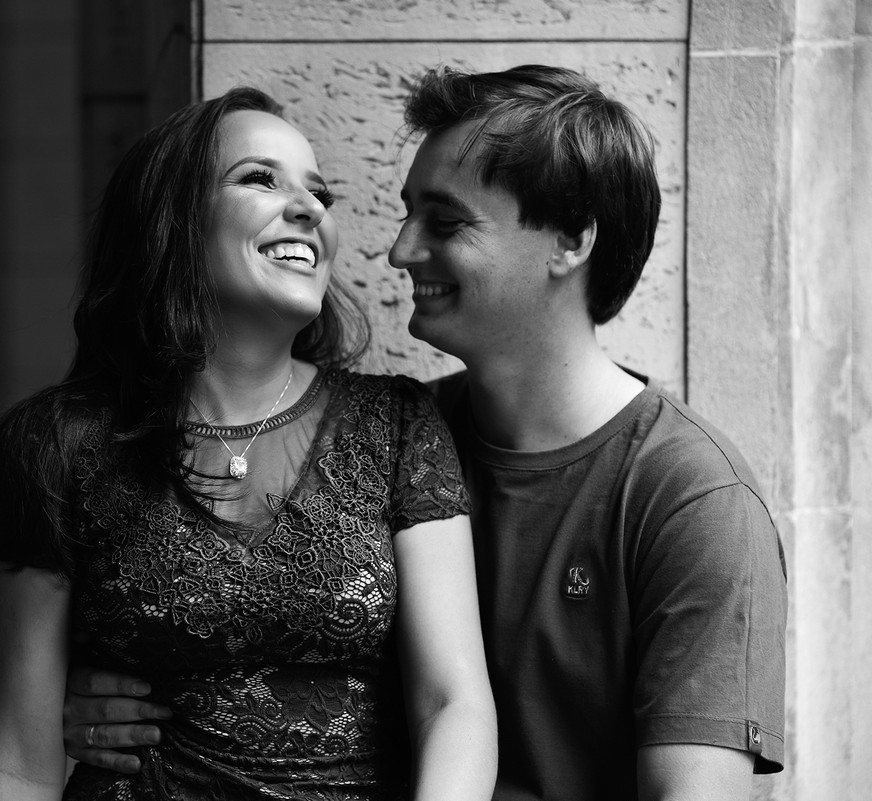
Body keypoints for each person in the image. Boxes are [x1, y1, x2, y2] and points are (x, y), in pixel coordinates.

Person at [62, 66, 788, 801]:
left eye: (445, 222)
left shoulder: (695, 500)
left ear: (569, 240)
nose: (399, 250)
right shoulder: (386, 439)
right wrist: (113, 688)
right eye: (408, 214)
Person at [0, 86, 497, 801]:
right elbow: (16, 760)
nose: (310, 208)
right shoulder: (53, 448)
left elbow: (453, 704)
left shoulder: (397, 425)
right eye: (259, 179)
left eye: (319, 192)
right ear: (173, 222)